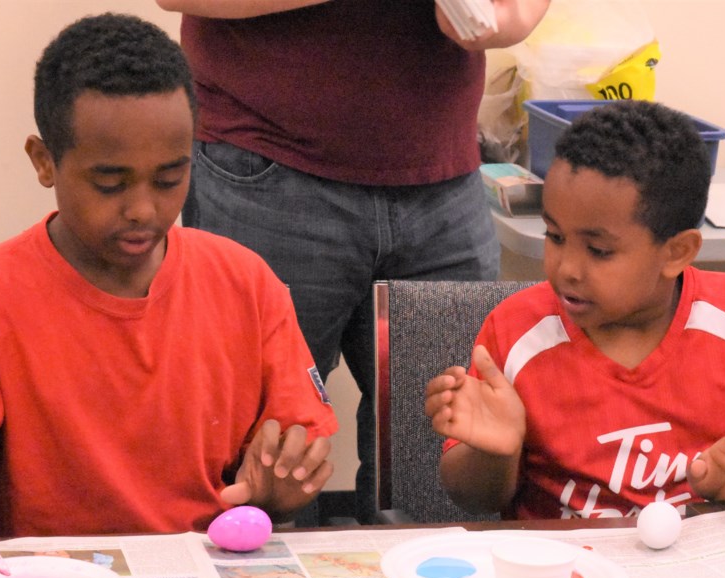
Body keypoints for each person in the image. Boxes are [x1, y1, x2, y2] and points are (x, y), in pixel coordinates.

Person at [0, 12, 338, 548]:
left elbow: (292, 468)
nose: (143, 209)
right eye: (110, 182)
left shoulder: (246, 283)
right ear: (44, 162)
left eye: (170, 178)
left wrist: (282, 487)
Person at [154, 0, 551, 524]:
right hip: (268, 163)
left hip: (443, 175)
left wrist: (503, 18)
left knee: (440, 475)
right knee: (261, 468)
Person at [425, 100, 725, 519]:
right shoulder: (516, 329)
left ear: (677, 252)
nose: (567, 269)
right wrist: (496, 452)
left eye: (598, 251)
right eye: (555, 235)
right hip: (568, 576)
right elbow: (475, 498)